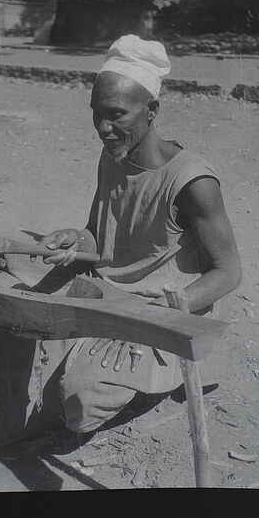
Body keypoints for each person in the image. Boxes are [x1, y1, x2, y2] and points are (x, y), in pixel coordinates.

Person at [35, 34, 242, 436]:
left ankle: (164, 377)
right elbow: (101, 238)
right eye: (96, 113)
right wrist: (75, 239)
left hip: (161, 310)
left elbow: (229, 271)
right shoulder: (114, 154)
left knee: (78, 404)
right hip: (106, 292)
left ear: (152, 110)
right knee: (15, 274)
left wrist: (175, 304)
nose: (103, 128)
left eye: (116, 115)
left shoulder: (192, 182)